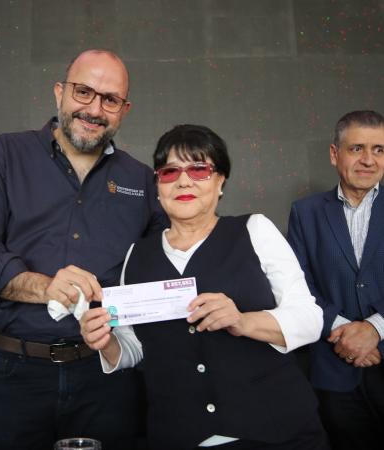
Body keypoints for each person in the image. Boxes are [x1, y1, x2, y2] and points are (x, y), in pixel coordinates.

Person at [0, 49, 167, 450]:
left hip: (106, 377)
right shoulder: (6, 155)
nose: (94, 109)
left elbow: (160, 269)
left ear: (124, 109)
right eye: (83, 92)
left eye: (110, 99)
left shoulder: (142, 180)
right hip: (15, 374)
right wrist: (47, 287)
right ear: (59, 92)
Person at [81, 124, 329, 450]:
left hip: (277, 432)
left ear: (220, 180)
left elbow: (310, 319)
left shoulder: (255, 230)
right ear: (158, 186)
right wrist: (106, 342)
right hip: (177, 434)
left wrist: (243, 321)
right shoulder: (137, 254)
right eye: (170, 172)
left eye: (199, 169)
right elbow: (135, 346)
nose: (184, 181)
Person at [287, 110, 384, 450]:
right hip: (334, 369)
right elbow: (298, 286)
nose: (369, 160)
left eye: (379, 150)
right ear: (334, 154)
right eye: (357, 148)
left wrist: (375, 329)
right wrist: (346, 332)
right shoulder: (305, 212)